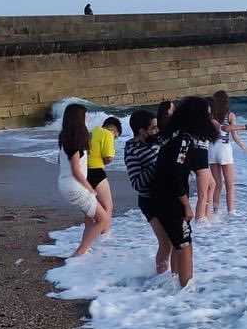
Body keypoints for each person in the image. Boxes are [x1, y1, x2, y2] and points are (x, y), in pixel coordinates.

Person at [150, 96, 219, 287]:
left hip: (161, 195)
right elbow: (175, 173)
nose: (209, 118)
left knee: (177, 243)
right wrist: (186, 205)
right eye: (206, 114)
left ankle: (174, 285)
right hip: (170, 198)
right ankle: (185, 292)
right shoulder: (184, 139)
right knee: (185, 245)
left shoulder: (173, 134)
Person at [57, 103, 111, 257]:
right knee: (102, 219)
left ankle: (84, 248)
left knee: (90, 216)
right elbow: (76, 170)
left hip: (65, 184)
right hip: (74, 187)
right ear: (79, 118)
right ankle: (80, 251)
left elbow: (62, 162)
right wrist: (90, 189)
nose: (88, 117)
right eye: (86, 114)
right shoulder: (75, 140)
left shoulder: (65, 136)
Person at [124, 109, 171, 273]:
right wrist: (157, 165)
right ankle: (160, 277)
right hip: (150, 200)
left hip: (166, 197)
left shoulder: (157, 142)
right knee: (165, 242)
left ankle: (168, 276)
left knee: (173, 241)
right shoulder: (132, 150)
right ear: (142, 131)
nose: (157, 131)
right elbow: (137, 183)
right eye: (153, 128)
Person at [209, 90, 247, 217]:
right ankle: (231, 212)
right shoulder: (230, 115)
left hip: (211, 149)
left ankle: (216, 212)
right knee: (230, 184)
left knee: (217, 184)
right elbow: (232, 134)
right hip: (224, 148)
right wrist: (243, 140)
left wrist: (242, 145)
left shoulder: (210, 117)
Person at [87, 116, 122, 227]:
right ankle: (104, 235)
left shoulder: (90, 132)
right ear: (113, 130)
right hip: (96, 172)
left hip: (83, 172)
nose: (114, 139)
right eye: (115, 137)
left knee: (91, 209)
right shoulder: (107, 134)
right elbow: (108, 158)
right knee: (107, 206)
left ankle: (89, 232)